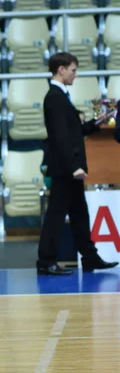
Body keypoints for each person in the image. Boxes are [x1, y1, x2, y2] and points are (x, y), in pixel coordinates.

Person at [37, 52, 119, 275]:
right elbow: (60, 136)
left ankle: (90, 257)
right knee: (56, 215)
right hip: (66, 169)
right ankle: (46, 261)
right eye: (73, 70)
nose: (76, 74)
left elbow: (73, 132)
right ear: (61, 70)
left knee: (80, 215)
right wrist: (74, 165)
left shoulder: (60, 96)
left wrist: (97, 122)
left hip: (67, 168)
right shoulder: (54, 97)